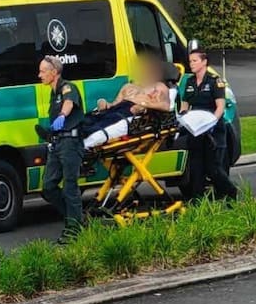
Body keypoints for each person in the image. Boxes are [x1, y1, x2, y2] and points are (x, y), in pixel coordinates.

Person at [34, 55, 86, 243]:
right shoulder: (53, 92)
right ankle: (77, 219)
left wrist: (63, 115)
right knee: (48, 187)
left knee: (70, 187)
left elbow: (69, 102)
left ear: (53, 72)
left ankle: (74, 229)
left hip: (70, 144)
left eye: (42, 71)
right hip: (57, 144)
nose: (39, 75)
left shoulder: (67, 87)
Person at [179, 49, 239, 203]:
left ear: (204, 62)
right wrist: (183, 117)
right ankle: (197, 200)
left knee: (214, 167)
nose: (191, 64)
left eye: (194, 61)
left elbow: (220, 107)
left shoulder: (215, 81)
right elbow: (185, 105)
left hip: (213, 128)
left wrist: (211, 122)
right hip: (196, 128)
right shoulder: (190, 82)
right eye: (190, 61)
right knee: (196, 165)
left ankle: (230, 193)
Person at [81, 55, 174, 149]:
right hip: (118, 108)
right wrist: (105, 104)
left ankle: (79, 144)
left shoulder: (160, 87)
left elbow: (166, 106)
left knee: (97, 129)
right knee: (87, 120)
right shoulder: (128, 87)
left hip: (129, 112)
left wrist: (145, 106)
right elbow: (115, 103)